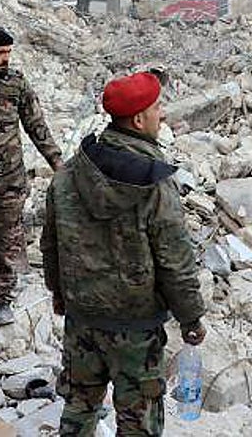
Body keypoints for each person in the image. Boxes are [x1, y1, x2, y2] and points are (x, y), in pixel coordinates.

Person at [41, 71, 206, 436]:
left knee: (79, 408)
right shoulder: (154, 183)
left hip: (82, 320)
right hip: (137, 330)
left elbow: (51, 242)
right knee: (138, 422)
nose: (162, 114)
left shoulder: (69, 174)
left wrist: (59, 294)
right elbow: (175, 261)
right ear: (138, 120)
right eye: (157, 108)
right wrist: (191, 317)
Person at [0, 26, 63, 328]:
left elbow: (36, 125)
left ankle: (3, 300)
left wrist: (57, 162)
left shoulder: (16, 83)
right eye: (0, 53)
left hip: (10, 181)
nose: (5, 58)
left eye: (8, 52)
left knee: (8, 243)